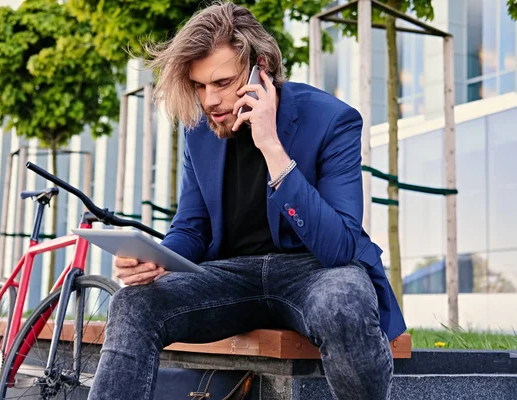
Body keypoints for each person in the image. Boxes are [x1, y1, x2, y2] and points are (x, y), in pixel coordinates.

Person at [89, 2, 406, 399]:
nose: (209, 101)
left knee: (343, 300)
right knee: (132, 303)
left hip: (314, 272)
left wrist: (272, 146)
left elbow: (340, 247)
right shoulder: (199, 131)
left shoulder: (332, 120)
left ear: (261, 67)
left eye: (222, 83)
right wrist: (158, 258)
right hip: (229, 278)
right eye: (200, 86)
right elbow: (192, 226)